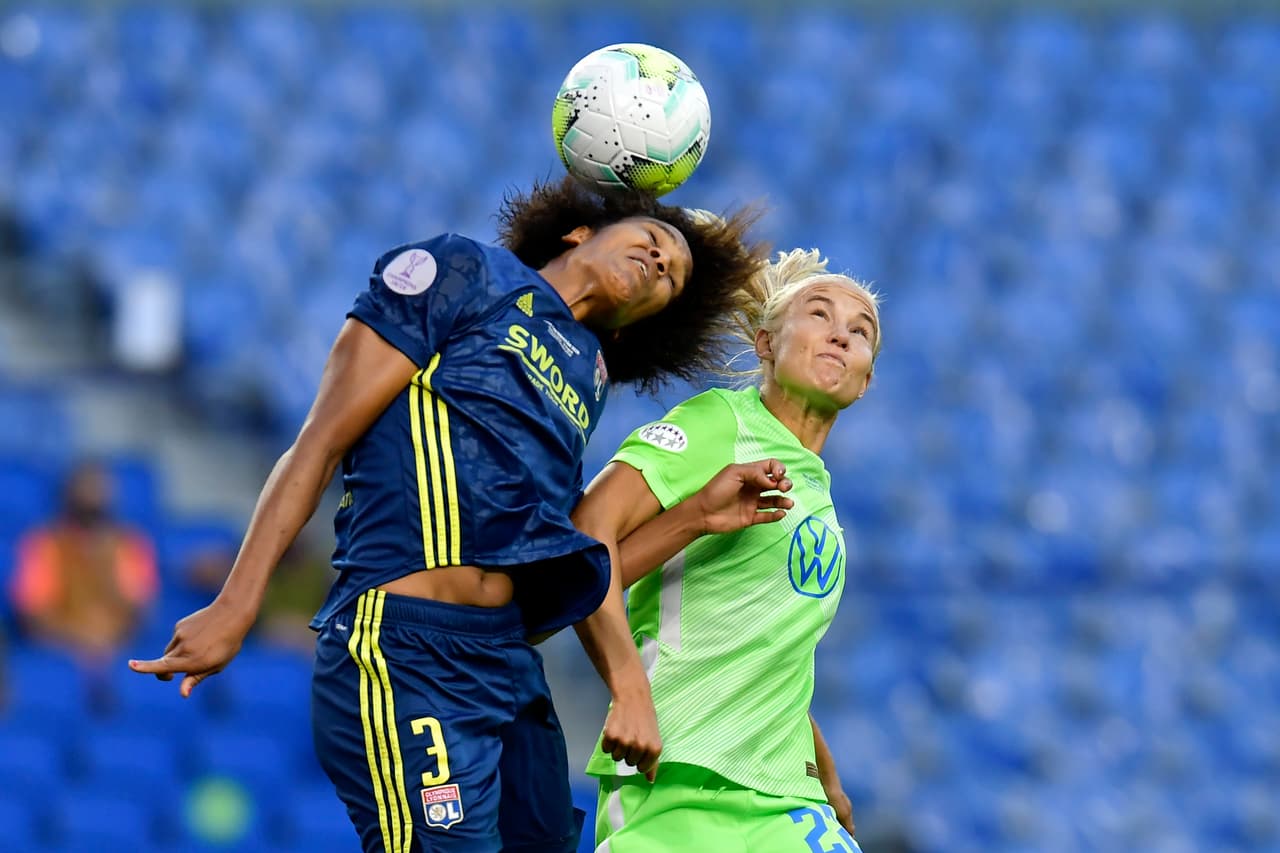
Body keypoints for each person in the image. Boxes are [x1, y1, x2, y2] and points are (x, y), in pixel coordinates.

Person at [129, 176, 767, 853]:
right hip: (403, 648)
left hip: (504, 660)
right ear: (580, 231)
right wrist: (238, 601)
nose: (664, 262)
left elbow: (558, 570)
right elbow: (321, 439)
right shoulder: (465, 272)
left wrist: (692, 516)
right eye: (656, 238)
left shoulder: (588, 377)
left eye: (673, 277)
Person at [571, 248, 881, 851]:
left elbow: (771, 654)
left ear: (865, 380)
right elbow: (586, 538)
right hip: (673, 770)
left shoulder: (815, 488)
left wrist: (828, 775)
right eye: (819, 314)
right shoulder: (717, 424)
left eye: (860, 331)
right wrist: (630, 692)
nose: (841, 335)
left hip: (784, 796)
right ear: (766, 345)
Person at [10, 460, 159, 661]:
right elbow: (33, 613)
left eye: (99, 488)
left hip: (117, 652)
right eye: (87, 488)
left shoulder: (129, 543)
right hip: (59, 653)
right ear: (69, 493)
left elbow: (139, 608)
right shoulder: (43, 543)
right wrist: (82, 641)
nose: (93, 496)